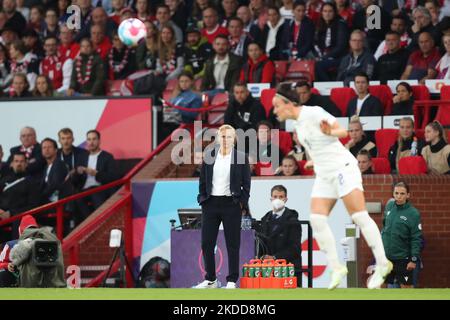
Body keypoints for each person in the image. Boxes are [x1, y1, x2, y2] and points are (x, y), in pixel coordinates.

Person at [272, 83, 392, 290]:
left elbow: (341, 131)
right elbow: (316, 148)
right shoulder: (297, 126)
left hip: (342, 168)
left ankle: (383, 263)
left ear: (289, 103)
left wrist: (330, 132)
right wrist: (314, 161)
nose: (274, 111)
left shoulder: (313, 113)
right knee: (317, 220)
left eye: (276, 106)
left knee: (359, 216)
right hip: (324, 173)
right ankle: (337, 268)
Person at [195, 124, 251, 289]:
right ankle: (210, 279)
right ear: (218, 138)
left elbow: (246, 185)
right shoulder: (209, 155)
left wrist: (241, 202)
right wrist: (203, 198)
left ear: (234, 139)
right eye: (222, 136)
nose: (225, 139)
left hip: (231, 204)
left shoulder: (241, 157)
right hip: (210, 204)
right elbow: (203, 180)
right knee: (207, 243)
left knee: (232, 243)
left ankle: (232, 280)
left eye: (228, 136)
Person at [382, 182, 423, 289]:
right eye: (396, 193)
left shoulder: (413, 213)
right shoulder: (389, 206)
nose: (398, 196)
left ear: (408, 195)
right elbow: (385, 230)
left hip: (403, 259)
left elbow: (416, 238)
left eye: (402, 194)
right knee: (383, 287)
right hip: (387, 259)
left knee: (406, 288)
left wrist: (413, 259)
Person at [72, 130, 118, 224]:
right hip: (84, 189)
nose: (91, 142)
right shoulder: (82, 157)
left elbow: (113, 177)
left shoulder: (107, 157)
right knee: (76, 198)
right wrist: (77, 172)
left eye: (94, 139)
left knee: (96, 194)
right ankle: (89, 223)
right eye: (89, 139)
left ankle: (97, 223)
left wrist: (96, 174)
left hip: (100, 188)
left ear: (99, 141)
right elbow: (75, 181)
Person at [259, 185, 302, 283]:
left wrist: (275, 258)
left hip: (288, 269)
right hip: (268, 270)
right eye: (275, 197)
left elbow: (295, 248)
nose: (277, 199)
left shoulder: (293, 221)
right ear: (271, 199)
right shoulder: (265, 219)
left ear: (286, 199)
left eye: (281, 197)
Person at [0, 153, 40, 241]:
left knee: (20, 220)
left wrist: (11, 213)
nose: (19, 164)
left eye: (22, 161)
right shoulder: (4, 181)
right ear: (12, 164)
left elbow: (33, 205)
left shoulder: (31, 182)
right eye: (16, 161)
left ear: (26, 164)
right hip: (2, 214)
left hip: (18, 215)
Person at [313, 2, 349, 81]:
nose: (327, 14)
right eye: (325, 11)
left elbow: (341, 46)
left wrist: (326, 56)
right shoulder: (320, 25)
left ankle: (329, 86)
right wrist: (319, 55)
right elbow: (315, 43)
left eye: (330, 11)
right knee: (313, 64)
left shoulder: (341, 24)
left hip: (339, 58)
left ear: (334, 12)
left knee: (318, 66)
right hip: (324, 57)